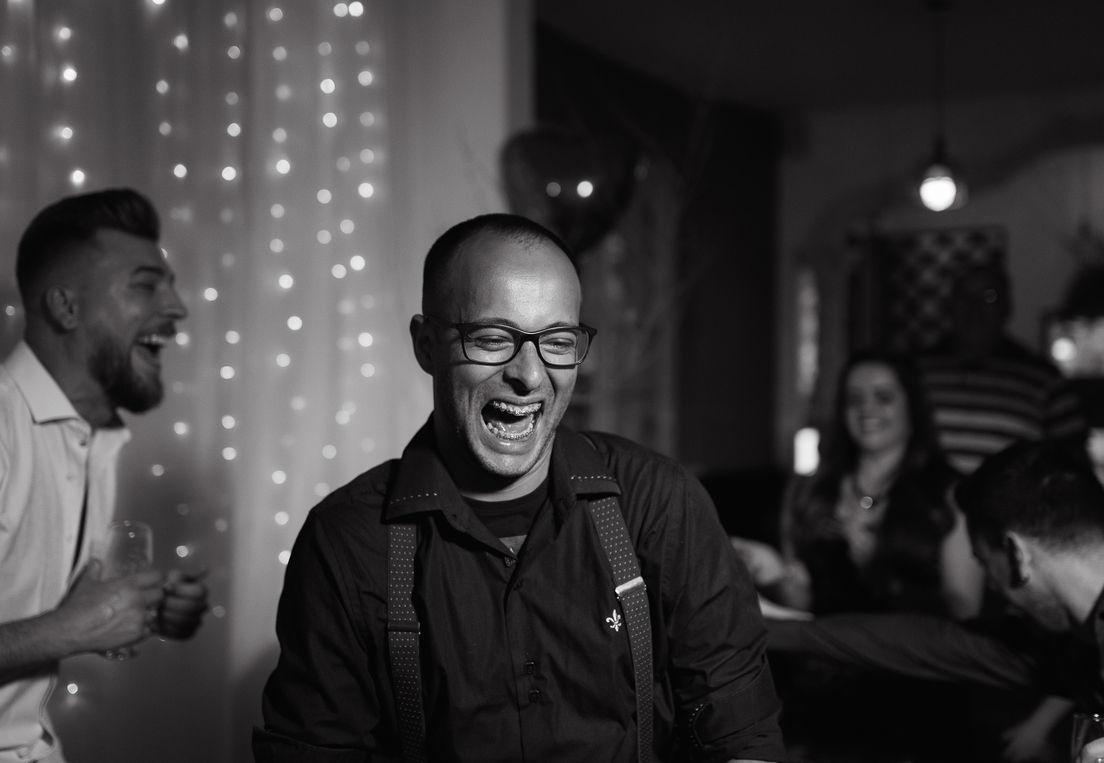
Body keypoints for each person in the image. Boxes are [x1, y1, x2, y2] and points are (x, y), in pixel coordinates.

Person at [255, 214, 785, 762]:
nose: (529, 376)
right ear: (427, 345)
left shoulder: (659, 502)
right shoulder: (348, 541)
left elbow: (740, 731)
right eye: (493, 338)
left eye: (558, 341)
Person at [0, 189, 209, 761]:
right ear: (65, 308)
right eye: (146, 285)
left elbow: (30, 605)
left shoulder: (94, 438)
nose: (177, 307)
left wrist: (148, 604)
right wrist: (67, 629)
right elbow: (61, 624)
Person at [766, 441, 1104, 760]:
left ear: (1017, 555)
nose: (994, 589)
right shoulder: (1066, 647)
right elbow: (926, 643)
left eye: (986, 566)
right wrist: (772, 624)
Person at [732, 351, 980, 619]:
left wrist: (882, 572)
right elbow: (803, 604)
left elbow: (963, 610)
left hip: (906, 645)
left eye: (883, 397)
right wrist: (778, 573)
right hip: (825, 642)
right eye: (854, 399)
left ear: (913, 408)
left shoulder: (950, 493)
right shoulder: (810, 490)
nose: (866, 409)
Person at [920, 263, 1086, 476]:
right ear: (950, 305)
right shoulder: (915, 371)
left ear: (1006, 307)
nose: (975, 307)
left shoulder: (1046, 382)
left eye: (989, 296)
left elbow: (1073, 468)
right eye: (964, 296)